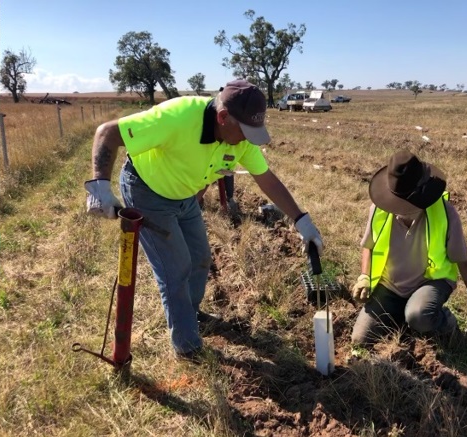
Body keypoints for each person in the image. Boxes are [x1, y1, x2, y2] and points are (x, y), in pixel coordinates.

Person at [85, 79, 324, 362]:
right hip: (147, 190)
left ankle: (189, 312)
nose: (249, 140)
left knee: (200, 257)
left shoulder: (241, 140)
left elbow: (267, 179)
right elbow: (107, 132)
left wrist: (301, 220)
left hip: (184, 195)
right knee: (175, 269)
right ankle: (187, 347)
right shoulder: (178, 115)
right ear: (223, 117)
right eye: (246, 132)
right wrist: (99, 187)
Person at [349, 150, 467, 346]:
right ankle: (403, 313)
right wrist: (364, 276)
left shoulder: (445, 213)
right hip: (390, 286)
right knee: (360, 339)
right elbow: (368, 247)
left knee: (419, 316)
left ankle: (443, 321)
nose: (402, 210)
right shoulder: (379, 210)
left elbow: (464, 261)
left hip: (430, 282)